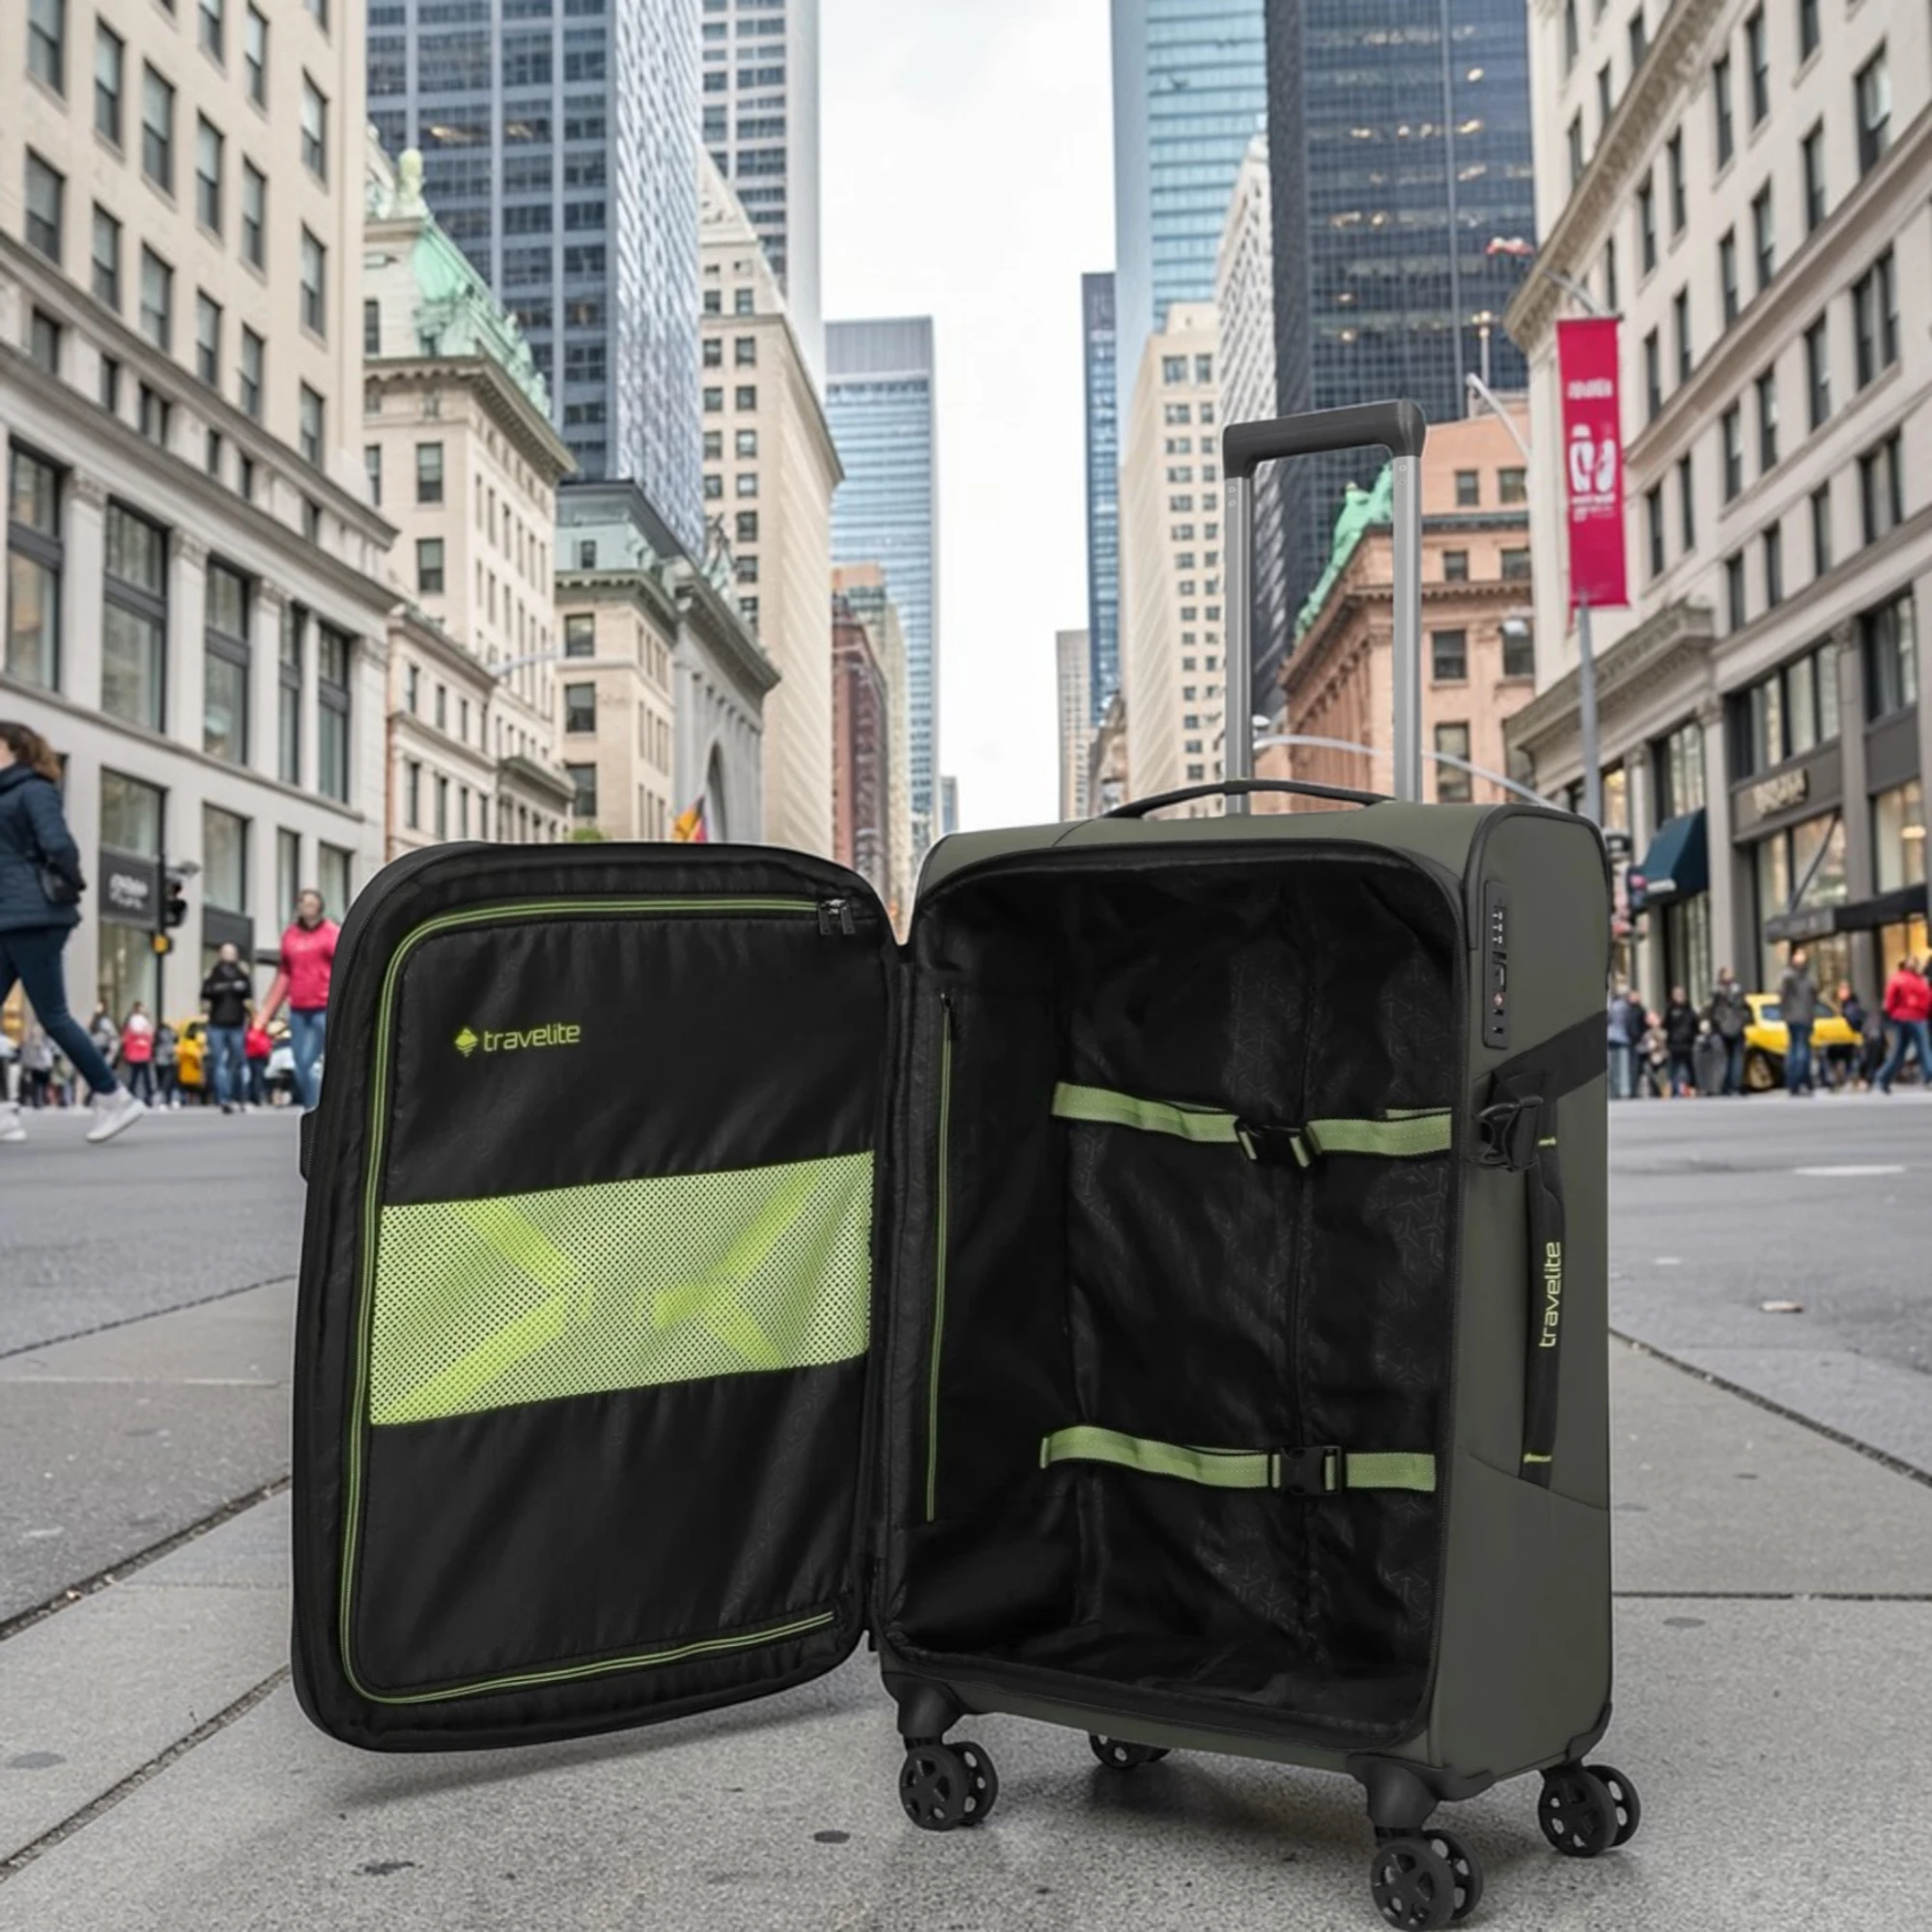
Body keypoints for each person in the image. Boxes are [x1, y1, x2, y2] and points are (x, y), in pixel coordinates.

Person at [0, 721, 145, 1145]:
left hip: (33, 917)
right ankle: (5, 1113)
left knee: (53, 1016)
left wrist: (69, 883)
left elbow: (60, 846)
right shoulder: (8, 793)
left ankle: (113, 1095)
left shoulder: (34, 789)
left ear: (14, 750)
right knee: (53, 1015)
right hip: (10, 915)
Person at [262, 889, 338, 1110]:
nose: (308, 908)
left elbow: (343, 966)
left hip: (324, 1005)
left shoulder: (332, 933)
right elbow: (284, 974)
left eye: (312, 904)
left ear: (320, 907)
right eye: (304, 904)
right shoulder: (290, 936)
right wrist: (266, 1012)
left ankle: (321, 1106)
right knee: (300, 1063)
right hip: (299, 1007)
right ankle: (314, 1106)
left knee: (322, 1059)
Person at [200, 942, 253, 1116]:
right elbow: (206, 992)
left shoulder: (242, 973)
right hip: (217, 1023)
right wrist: (227, 987)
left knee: (238, 1061)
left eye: (232, 952)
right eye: (226, 952)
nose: (229, 956)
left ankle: (240, 1096)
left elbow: (248, 992)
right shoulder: (213, 973)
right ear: (220, 954)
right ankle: (224, 1098)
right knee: (219, 1063)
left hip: (236, 1022)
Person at [1875, 955, 1932, 1094]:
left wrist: (1893, 1013)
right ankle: (1929, 1076)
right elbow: (1927, 999)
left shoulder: (1899, 979)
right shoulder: (1919, 981)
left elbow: (1889, 1000)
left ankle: (1883, 1078)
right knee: (1922, 1048)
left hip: (1903, 1017)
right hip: (1916, 1018)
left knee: (1899, 1052)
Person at [1778, 946, 1819, 1096]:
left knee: (1795, 1048)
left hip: (1794, 1017)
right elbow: (1815, 996)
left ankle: (1795, 1083)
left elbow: (1782, 997)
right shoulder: (1807, 978)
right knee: (1802, 1049)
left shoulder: (1788, 977)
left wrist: (1785, 1013)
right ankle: (1801, 1082)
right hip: (1804, 1017)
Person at [1707, 968, 1750, 1096]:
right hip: (1732, 1027)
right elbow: (1745, 1008)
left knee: (1727, 1059)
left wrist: (1714, 1023)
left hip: (1724, 1028)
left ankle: (1727, 1085)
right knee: (1733, 1058)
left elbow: (1711, 1010)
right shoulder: (1735, 991)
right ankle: (1732, 1085)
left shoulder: (1717, 992)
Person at [1662, 985, 1700, 1095]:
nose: (1679, 997)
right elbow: (1665, 1025)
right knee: (1674, 1068)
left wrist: (1693, 1036)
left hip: (1687, 1043)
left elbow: (1695, 1025)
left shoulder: (1689, 1010)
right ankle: (1675, 1089)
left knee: (1690, 1067)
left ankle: (1692, 1088)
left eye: (1681, 994)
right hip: (1674, 1044)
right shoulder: (1670, 1010)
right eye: (1677, 994)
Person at [120, 1002, 156, 1105]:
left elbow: (125, 1039)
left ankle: (131, 1096)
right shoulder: (145, 1022)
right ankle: (149, 1097)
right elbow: (151, 1035)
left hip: (133, 1053)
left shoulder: (129, 1022)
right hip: (144, 1052)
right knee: (146, 1077)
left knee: (134, 1077)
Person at [1833, 983, 1867, 1091]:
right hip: (1848, 1038)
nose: (1842, 992)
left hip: (1853, 1038)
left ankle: (1853, 1079)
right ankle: (1851, 1079)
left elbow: (1854, 1022)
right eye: (1841, 990)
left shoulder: (1851, 1005)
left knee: (1852, 1057)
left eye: (1845, 990)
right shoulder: (1845, 1005)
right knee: (1850, 1058)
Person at [1605, 984, 1636, 1099]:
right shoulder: (1625, 1006)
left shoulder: (1613, 1005)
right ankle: (1624, 1090)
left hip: (1611, 1037)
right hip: (1622, 1038)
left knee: (1612, 1066)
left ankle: (1614, 1090)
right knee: (1623, 1067)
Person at [20, 1025, 53, 1109]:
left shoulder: (32, 1043)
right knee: (40, 1084)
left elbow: (27, 1055)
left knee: (37, 1084)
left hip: (37, 1066)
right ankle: (39, 1101)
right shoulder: (44, 1044)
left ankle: (38, 1101)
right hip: (42, 1066)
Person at [243, 1016, 272, 1109]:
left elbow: (267, 1045)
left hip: (260, 1057)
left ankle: (256, 1097)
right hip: (252, 1057)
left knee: (257, 1078)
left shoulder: (262, 1032)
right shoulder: (251, 1032)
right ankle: (254, 1097)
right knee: (255, 1078)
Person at [154, 1020, 180, 1108]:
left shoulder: (157, 1035)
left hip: (158, 1062)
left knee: (160, 1082)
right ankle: (169, 1101)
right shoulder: (170, 1034)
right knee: (170, 1082)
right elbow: (171, 1048)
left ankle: (160, 1101)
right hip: (169, 1062)